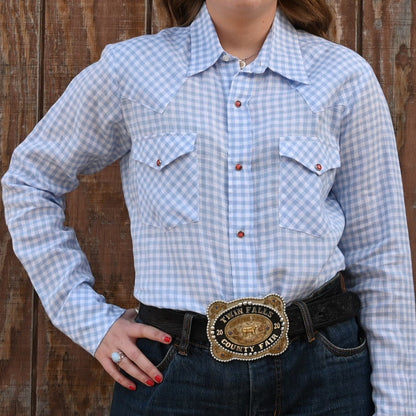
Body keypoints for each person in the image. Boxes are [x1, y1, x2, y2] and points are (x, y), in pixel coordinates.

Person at [2, 0, 416, 414]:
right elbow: (29, 181)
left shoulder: (344, 78)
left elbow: (380, 255)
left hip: (321, 376)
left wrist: (398, 406)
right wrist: (90, 322)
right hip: (174, 377)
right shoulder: (131, 71)